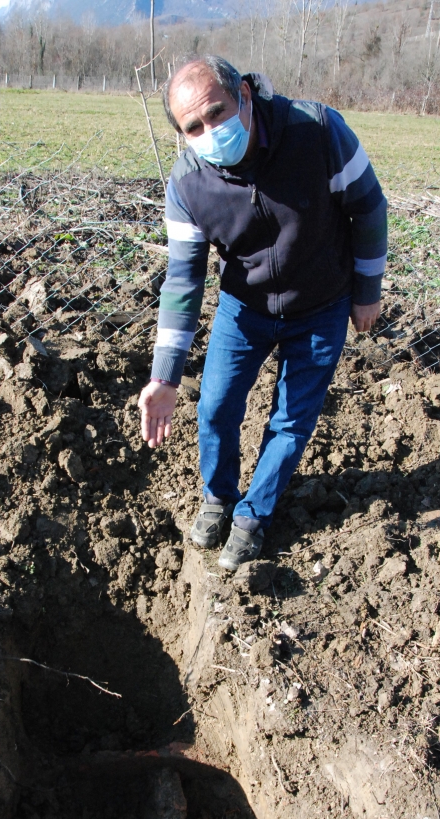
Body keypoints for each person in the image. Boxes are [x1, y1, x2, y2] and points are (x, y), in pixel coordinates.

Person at [138, 55, 387, 571]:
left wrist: (367, 289)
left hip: (321, 304)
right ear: (182, 136)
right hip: (244, 307)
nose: (210, 131)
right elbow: (184, 280)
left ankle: (252, 516)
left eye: (217, 112)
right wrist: (165, 375)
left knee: (292, 419)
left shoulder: (315, 132)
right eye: (194, 127)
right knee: (215, 406)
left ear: (245, 96)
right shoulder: (188, 185)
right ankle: (218, 497)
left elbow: (368, 206)